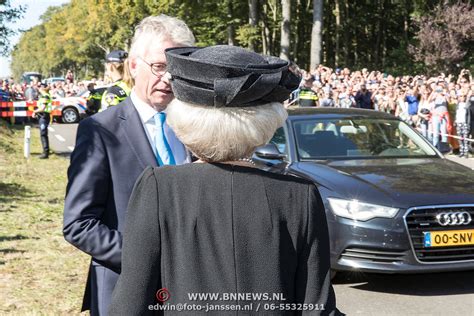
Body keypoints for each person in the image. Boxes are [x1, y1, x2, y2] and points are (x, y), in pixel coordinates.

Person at [109, 45, 340, 315]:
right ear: (265, 121)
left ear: (184, 117)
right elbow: (317, 307)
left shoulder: (159, 187)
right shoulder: (298, 195)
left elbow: (131, 303)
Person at [63, 15, 195, 315]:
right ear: (133, 66)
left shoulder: (193, 129)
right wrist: (149, 257)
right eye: (160, 67)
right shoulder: (100, 130)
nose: (169, 79)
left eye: (177, 70)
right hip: (125, 293)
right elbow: (78, 225)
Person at [32, 85, 52, 159]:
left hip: (44, 116)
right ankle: (45, 151)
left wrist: (34, 111)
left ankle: (45, 153)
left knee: (43, 134)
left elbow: (42, 108)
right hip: (42, 116)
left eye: (39, 87)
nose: (38, 88)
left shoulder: (45, 96)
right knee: (43, 134)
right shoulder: (43, 96)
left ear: (42, 89)